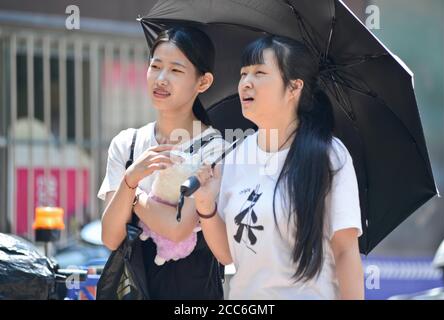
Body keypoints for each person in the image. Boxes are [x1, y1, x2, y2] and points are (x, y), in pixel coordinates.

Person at [193, 35, 364, 299]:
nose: (246, 83)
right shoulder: (236, 156)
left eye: (260, 72)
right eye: (243, 73)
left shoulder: (329, 155)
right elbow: (227, 254)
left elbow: (345, 250)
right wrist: (205, 205)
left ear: (294, 88)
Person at [98, 26, 226, 299]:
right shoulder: (128, 143)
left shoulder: (215, 150)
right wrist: (131, 177)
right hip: (137, 288)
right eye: (155, 66)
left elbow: (178, 229)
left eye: (176, 70)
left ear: (203, 82)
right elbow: (110, 237)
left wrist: (131, 190)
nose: (161, 79)